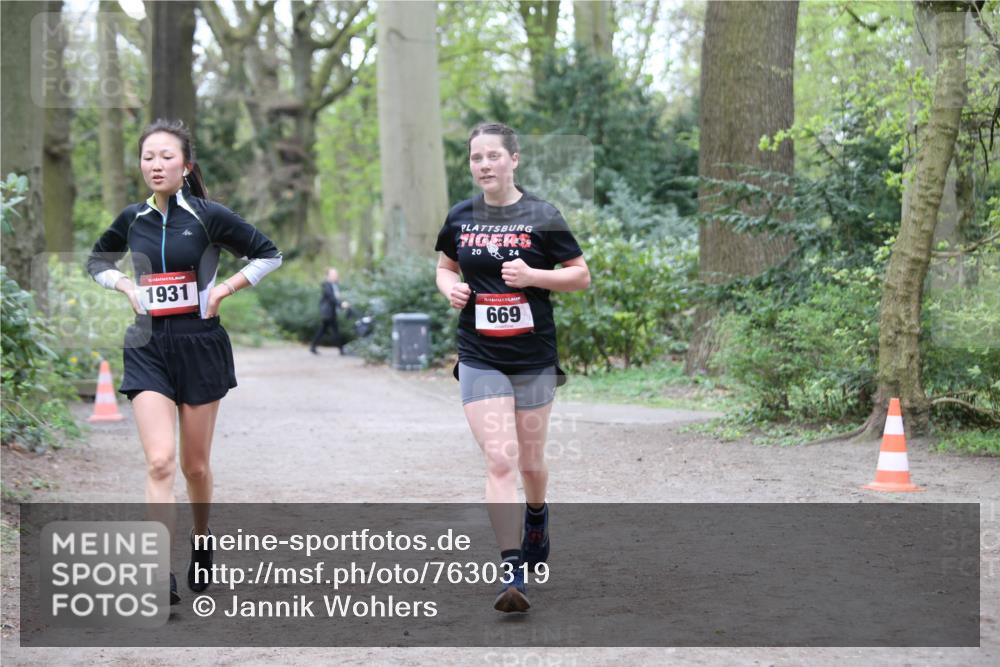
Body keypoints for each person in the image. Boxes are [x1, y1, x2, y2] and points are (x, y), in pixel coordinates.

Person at [87, 119, 282, 605]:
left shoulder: (208, 215)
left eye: (166, 156)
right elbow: (96, 261)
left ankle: (201, 537)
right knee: (160, 463)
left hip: (200, 344)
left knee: (195, 467)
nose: (156, 165)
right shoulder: (132, 218)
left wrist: (223, 289)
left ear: (186, 166)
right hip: (147, 345)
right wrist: (125, 285)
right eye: (148, 157)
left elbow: (268, 254)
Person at [434, 122, 590, 612]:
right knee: (500, 460)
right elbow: (445, 267)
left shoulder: (543, 215)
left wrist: (532, 275)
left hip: (533, 356)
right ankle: (511, 569)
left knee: (530, 463)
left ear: (514, 159)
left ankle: (537, 516)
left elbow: (580, 276)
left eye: (493, 156)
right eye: (476, 157)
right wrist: (451, 290)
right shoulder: (460, 217)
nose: (484, 165)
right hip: (480, 354)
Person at [310, 267, 345, 355]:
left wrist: (341, 303)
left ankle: (313, 346)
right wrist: (341, 304)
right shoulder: (327, 285)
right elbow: (331, 298)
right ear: (328, 276)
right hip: (328, 313)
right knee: (335, 330)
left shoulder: (334, 285)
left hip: (331, 312)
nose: (335, 276)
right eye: (333, 274)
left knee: (323, 330)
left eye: (336, 274)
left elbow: (336, 298)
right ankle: (341, 350)